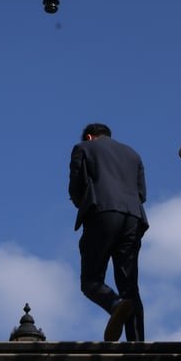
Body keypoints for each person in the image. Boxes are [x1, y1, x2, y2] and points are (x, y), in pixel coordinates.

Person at [68, 122, 149, 342]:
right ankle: (137, 343)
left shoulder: (83, 148)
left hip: (102, 213)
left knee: (91, 280)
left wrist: (82, 203)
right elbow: (141, 193)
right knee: (129, 283)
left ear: (89, 137)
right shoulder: (133, 154)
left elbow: (75, 186)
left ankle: (114, 305)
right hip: (134, 217)